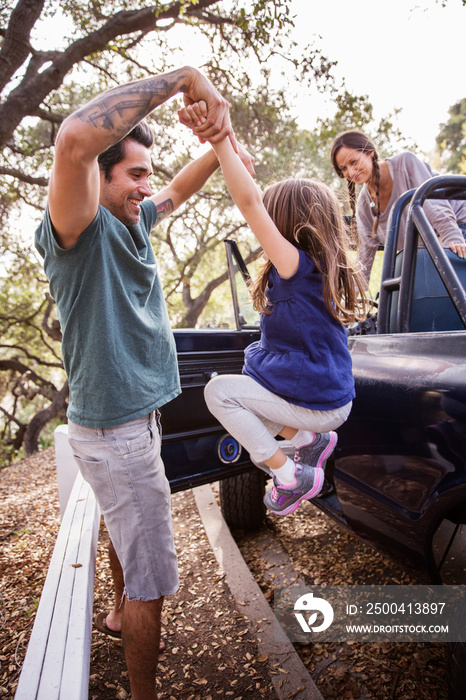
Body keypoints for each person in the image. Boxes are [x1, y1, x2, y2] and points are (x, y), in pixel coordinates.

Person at [34, 67, 252, 700]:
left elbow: (179, 190)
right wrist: (186, 78)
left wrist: (221, 145)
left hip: (127, 426)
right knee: (152, 582)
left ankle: (114, 612)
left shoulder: (131, 220)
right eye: (133, 176)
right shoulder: (76, 231)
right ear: (96, 180)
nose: (145, 188)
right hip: (117, 436)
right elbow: (74, 138)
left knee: (122, 531)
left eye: (146, 177)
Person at [179, 101, 367, 516]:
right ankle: (304, 443)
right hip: (329, 399)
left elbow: (248, 203)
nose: (260, 217)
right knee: (248, 393)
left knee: (221, 393)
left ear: (281, 222)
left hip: (319, 403)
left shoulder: (295, 265)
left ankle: (290, 474)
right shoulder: (321, 268)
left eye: (268, 213)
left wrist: (220, 140)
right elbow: (253, 195)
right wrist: (229, 142)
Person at [330, 130, 466, 284]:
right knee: (394, 294)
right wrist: (353, 295)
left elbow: (439, 213)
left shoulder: (405, 164)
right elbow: (365, 256)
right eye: (344, 168)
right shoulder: (364, 204)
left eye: (353, 162)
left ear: (369, 152)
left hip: (457, 232)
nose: (350, 172)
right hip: (424, 251)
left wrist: (454, 246)